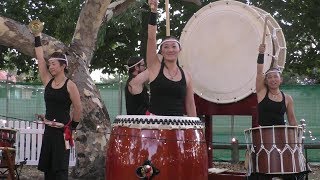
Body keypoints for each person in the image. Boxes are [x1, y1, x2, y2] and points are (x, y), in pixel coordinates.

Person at [31, 31, 82, 179]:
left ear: (63, 65)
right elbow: (40, 59)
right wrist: (37, 36)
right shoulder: (47, 80)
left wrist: (71, 127)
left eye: (53, 64)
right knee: (48, 169)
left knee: (60, 169)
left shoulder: (70, 85)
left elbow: (78, 108)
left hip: (62, 133)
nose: (50, 67)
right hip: (49, 131)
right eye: (50, 64)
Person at [146, 0, 196, 117]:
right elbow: (151, 38)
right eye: (166, 47)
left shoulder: (187, 76)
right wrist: (154, 11)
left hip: (178, 127)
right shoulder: (155, 67)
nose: (170, 50)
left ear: (179, 50)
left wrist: (195, 128)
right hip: (155, 126)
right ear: (161, 51)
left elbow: (190, 104)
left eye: (174, 46)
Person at [256, 43, 298, 126]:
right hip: (263, 135)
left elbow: (292, 120)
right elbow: (259, 72)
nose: (273, 79)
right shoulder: (261, 92)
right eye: (270, 77)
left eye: (275, 77)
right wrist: (261, 53)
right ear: (266, 81)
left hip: (281, 136)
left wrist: (296, 137)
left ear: (280, 80)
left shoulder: (287, 98)